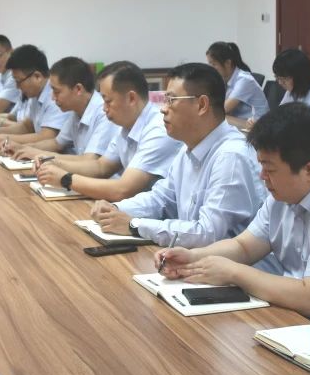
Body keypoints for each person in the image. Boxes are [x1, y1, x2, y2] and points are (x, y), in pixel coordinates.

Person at [155, 103, 310, 323]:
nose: (262, 176)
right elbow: (244, 246)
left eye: (269, 169)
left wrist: (233, 273)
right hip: (301, 322)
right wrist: (192, 258)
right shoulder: (288, 190)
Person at [89, 63, 267, 250]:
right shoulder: (188, 148)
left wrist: (135, 225)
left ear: (202, 105)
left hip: (232, 266)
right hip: (195, 259)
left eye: (171, 100)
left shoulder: (231, 156)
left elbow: (208, 233)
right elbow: (161, 199)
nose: (163, 109)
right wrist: (116, 209)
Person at [34, 61, 181, 202]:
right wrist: (55, 163)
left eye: (108, 101)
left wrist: (65, 179)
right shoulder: (126, 126)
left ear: (131, 98)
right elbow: (101, 167)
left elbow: (123, 190)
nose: (104, 108)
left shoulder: (158, 130)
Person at [8, 57, 118, 161]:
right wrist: (22, 148)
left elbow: (89, 160)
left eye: (56, 91)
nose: (52, 97)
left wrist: (38, 154)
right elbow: (56, 143)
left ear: (78, 89)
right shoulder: (76, 111)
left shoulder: (103, 113)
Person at [0, 45, 67, 147]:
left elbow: (47, 137)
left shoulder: (55, 96)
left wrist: (1, 138)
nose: (17, 87)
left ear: (37, 76)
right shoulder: (35, 94)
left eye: (19, 81)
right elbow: (26, 127)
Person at [205, 41, 268, 128]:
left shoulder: (244, 80)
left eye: (214, 64)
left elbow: (223, 109)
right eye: (209, 64)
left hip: (257, 125)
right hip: (241, 122)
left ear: (228, 63)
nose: (211, 68)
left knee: (215, 117)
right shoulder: (224, 79)